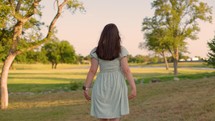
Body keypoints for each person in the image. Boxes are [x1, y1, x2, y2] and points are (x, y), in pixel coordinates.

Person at [83, 23, 136, 121]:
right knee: (115, 117)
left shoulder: (96, 51)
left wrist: (85, 88)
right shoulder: (121, 50)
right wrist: (133, 87)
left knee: (103, 117)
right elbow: (126, 70)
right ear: (117, 35)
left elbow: (92, 71)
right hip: (117, 85)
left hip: (101, 85)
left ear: (103, 35)